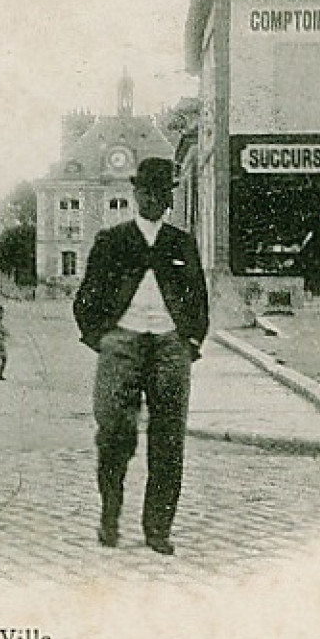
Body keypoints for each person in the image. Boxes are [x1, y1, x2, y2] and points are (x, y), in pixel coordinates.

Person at [72, 157, 209, 556]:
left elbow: (197, 298)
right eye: (146, 191)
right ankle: (109, 516)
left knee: (168, 439)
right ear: (136, 194)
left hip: (170, 346)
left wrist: (190, 340)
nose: (153, 199)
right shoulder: (112, 241)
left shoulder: (181, 243)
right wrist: (102, 337)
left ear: (169, 198)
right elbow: (87, 298)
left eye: (161, 193)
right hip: (122, 343)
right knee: (114, 434)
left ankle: (158, 528)